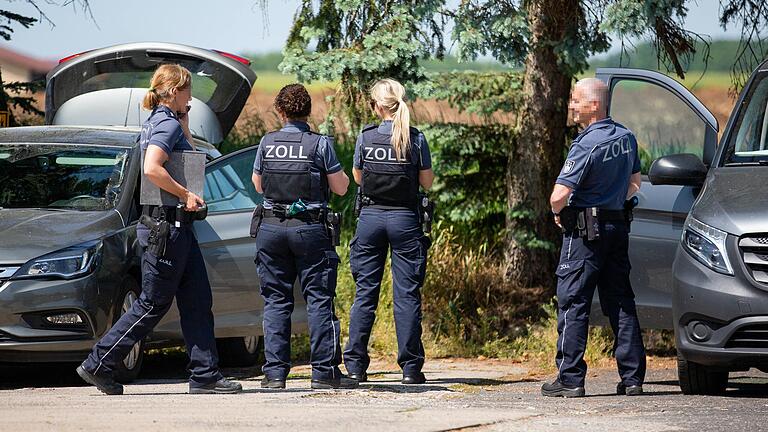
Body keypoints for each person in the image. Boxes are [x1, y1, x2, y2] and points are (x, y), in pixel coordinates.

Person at [76, 64, 242, 396]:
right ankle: (99, 363)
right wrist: (186, 194)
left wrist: (184, 122)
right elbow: (153, 167)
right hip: (167, 229)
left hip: (178, 228)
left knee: (197, 300)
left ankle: (205, 374)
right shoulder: (164, 125)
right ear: (175, 91)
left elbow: (189, 159)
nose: (191, 97)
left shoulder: (160, 122)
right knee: (151, 303)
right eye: (188, 91)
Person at [542, 77, 646, 398]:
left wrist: (560, 210)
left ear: (593, 105)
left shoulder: (587, 143)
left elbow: (558, 196)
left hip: (586, 233)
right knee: (621, 302)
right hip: (617, 228)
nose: (571, 105)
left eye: (576, 100)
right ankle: (632, 378)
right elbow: (636, 184)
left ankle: (570, 378)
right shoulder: (627, 138)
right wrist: (612, 200)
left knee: (574, 302)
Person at [251, 84, 356, 390]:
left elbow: (258, 185)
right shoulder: (319, 144)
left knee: (275, 301)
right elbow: (340, 188)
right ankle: (324, 372)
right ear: (308, 112)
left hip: (270, 230)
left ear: (280, 112)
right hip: (310, 230)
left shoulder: (267, 142)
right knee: (320, 300)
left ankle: (274, 374)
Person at [343, 78, 435, 385]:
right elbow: (427, 182)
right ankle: (410, 369)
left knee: (365, 294)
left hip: (370, 218)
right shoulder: (416, 138)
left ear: (379, 106)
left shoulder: (366, 136)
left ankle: (355, 366)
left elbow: (358, 177)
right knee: (407, 296)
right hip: (405, 220)